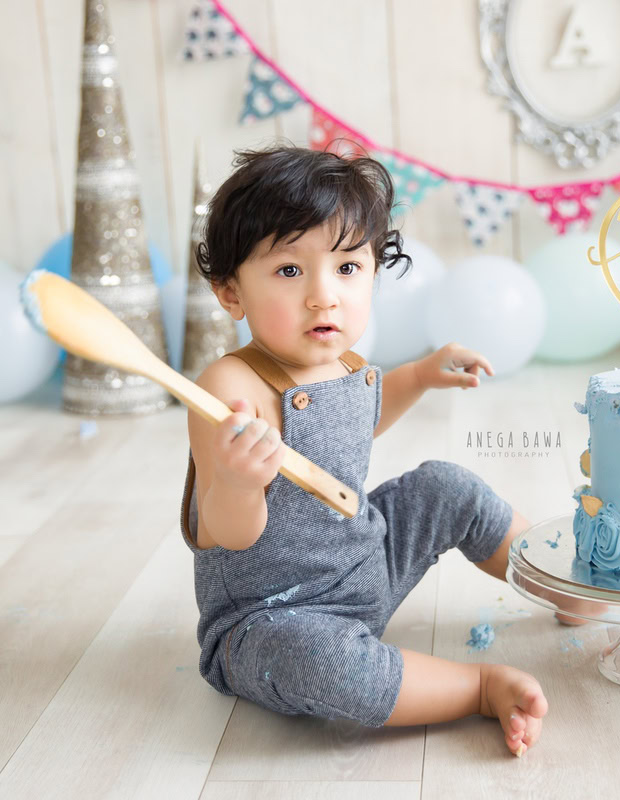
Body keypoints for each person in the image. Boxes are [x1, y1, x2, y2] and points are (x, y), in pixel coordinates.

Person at [180, 145, 580, 757]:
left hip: (366, 566)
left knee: (447, 487)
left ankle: (562, 585)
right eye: (290, 271)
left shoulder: (343, 363)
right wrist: (237, 482)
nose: (324, 296)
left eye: (347, 268)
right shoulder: (231, 388)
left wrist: (417, 376)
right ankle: (475, 688)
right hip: (271, 621)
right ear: (231, 292)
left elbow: (353, 426)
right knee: (330, 666)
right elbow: (223, 533)